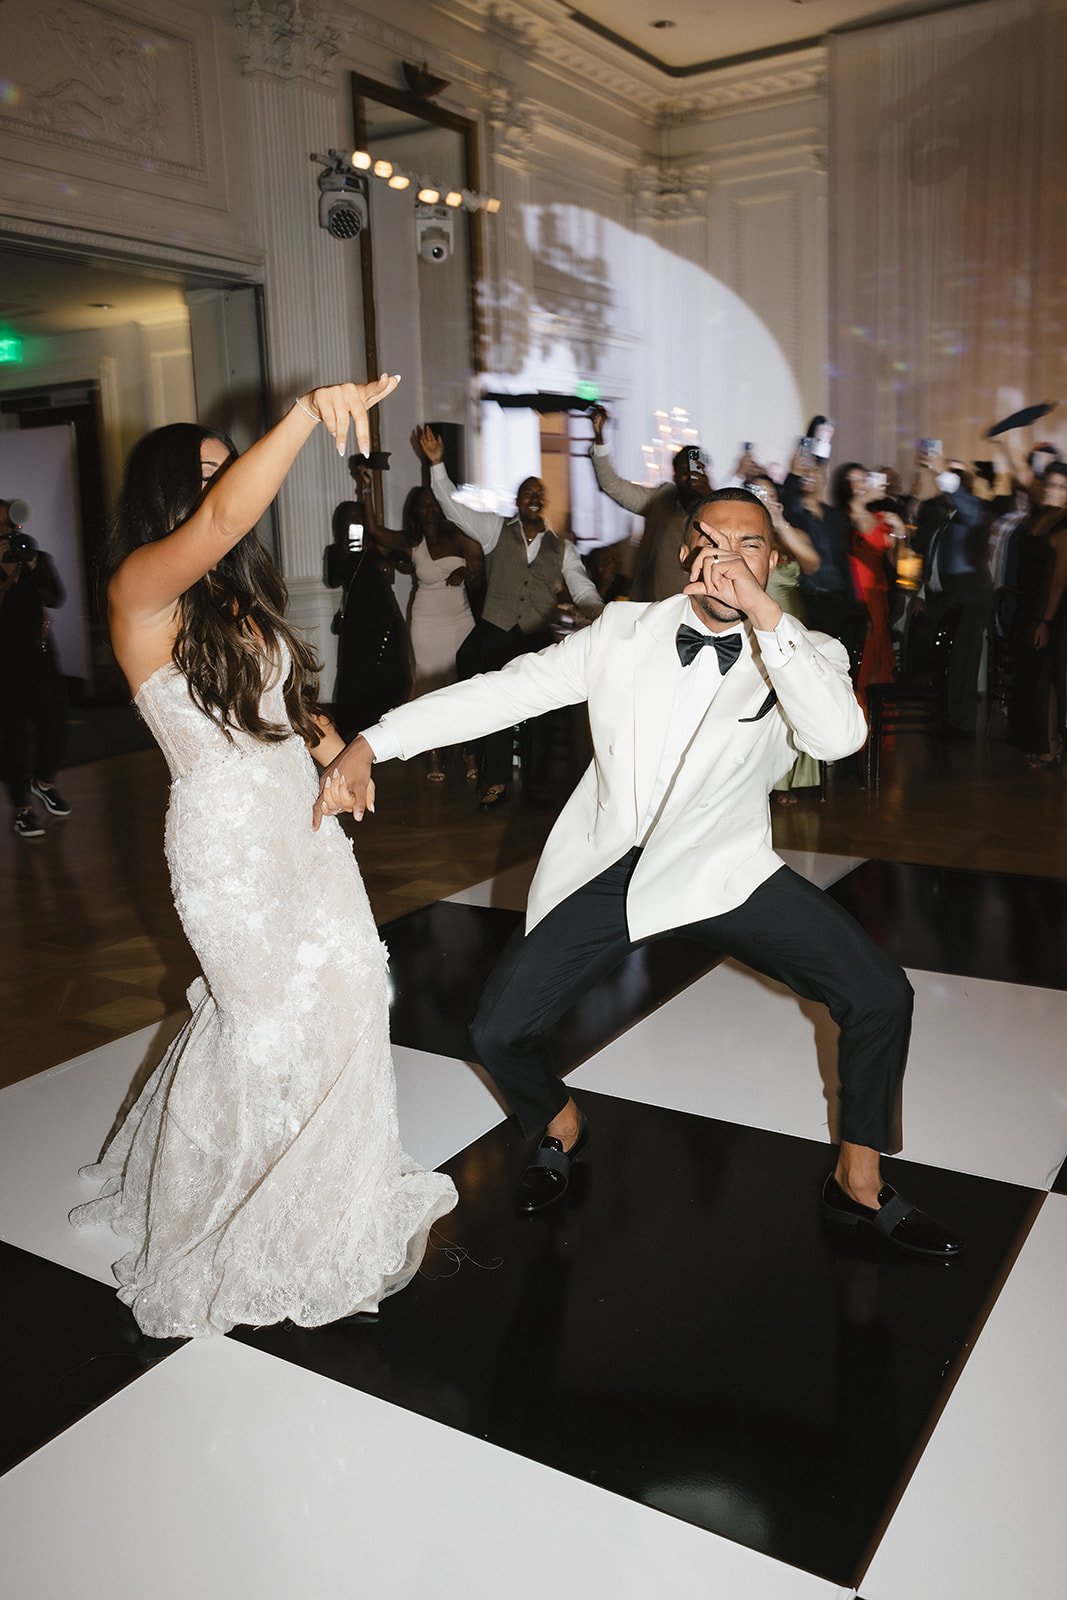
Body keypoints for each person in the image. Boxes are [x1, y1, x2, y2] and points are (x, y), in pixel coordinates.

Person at [320, 487, 962, 1261]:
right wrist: (371, 744)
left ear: (771, 561)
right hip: (613, 869)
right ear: (687, 551)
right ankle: (556, 1122)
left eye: (748, 546)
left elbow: (835, 739)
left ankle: (857, 1181)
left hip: (721, 868)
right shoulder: (621, 633)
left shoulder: (802, 650)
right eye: (711, 542)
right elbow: (500, 694)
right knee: (495, 1030)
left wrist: (765, 618)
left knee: (878, 993)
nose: (727, 559)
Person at [70, 380, 457, 1339]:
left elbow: (283, 709)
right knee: (266, 1028)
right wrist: (299, 419)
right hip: (226, 847)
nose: (225, 490)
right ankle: (231, 1209)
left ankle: (324, 1193)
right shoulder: (139, 591)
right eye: (205, 476)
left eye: (225, 470)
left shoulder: (231, 596)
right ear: (171, 496)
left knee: (351, 997)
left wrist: (334, 755)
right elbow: (230, 512)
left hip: (302, 823)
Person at [419, 423, 603, 809]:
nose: (534, 497)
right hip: (495, 630)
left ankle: (537, 787)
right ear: (518, 501)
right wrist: (437, 465)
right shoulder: (494, 529)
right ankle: (495, 780)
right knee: (495, 704)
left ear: (545, 502)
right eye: (527, 492)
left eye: (540, 493)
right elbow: (454, 508)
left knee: (537, 708)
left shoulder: (562, 548)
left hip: (535, 637)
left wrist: (601, 613)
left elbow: (582, 587)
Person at [360, 474, 483, 782]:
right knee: (428, 685)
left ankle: (469, 752)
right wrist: (365, 489)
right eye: (422, 505)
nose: (428, 509)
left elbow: (479, 567)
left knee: (462, 684)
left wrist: (466, 571)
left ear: (442, 506)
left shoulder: (459, 535)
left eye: (433, 503)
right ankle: (433, 756)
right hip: (427, 621)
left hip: (460, 618)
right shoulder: (412, 542)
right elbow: (374, 530)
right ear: (415, 511)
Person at [587, 405, 712, 601]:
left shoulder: (718, 507)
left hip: (694, 616)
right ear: (674, 474)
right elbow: (612, 485)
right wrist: (600, 438)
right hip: (651, 609)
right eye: (683, 470)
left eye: (696, 469)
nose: (690, 476)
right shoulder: (661, 498)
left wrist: (708, 497)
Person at [0, 498, 71, 838]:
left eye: (8, 524)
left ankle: (43, 782)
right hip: (5, 665)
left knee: (54, 724)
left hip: (41, 658)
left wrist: (29, 564)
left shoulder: (36, 558)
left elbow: (56, 597)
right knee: (13, 736)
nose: (5, 530)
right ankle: (23, 810)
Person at [325, 461, 412, 739]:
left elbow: (398, 568)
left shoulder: (375, 547)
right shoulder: (335, 551)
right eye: (349, 519)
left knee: (387, 669)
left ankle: (387, 723)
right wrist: (343, 553)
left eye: (358, 518)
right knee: (356, 672)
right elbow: (333, 580)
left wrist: (386, 564)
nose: (355, 523)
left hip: (383, 617)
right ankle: (359, 727)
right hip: (356, 619)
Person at [911, 454, 992, 736]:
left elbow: (967, 507)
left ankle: (960, 723)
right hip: (942, 597)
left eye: (954, 474)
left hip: (967, 597)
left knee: (962, 662)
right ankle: (944, 715)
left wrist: (943, 472)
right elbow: (928, 555)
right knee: (942, 660)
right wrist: (922, 590)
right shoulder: (942, 515)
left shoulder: (974, 510)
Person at [1007, 461, 1067, 765]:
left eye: (1061, 487)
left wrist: (1044, 621)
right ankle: (1037, 740)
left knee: (1047, 677)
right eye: (1050, 485)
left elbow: (1058, 580)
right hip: (1030, 606)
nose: (1054, 491)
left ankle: (1051, 745)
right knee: (1030, 675)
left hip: (1052, 613)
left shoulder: (1064, 524)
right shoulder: (1039, 517)